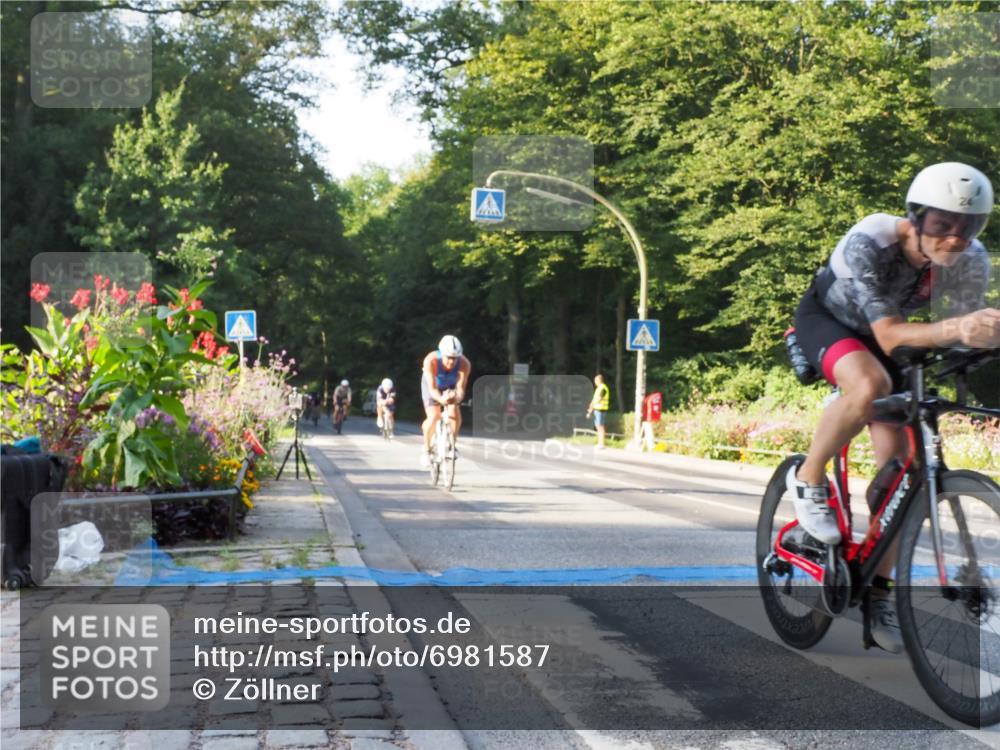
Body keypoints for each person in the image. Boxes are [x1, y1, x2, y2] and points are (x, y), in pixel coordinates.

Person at [790, 162, 999, 653]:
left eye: (968, 228)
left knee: (905, 474)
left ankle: (877, 594)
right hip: (833, 322)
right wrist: (960, 329)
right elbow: (888, 333)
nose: (954, 239)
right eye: (942, 226)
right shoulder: (873, 238)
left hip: (900, 340)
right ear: (915, 218)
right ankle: (808, 477)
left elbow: (959, 338)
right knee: (867, 385)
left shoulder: (972, 259)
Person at [421, 335, 472, 468]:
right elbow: (432, 388)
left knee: (454, 412)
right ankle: (427, 451)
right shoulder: (431, 360)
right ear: (441, 354)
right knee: (434, 416)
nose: (451, 361)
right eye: (448, 357)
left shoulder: (464, 364)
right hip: (432, 386)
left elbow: (461, 390)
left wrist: (456, 397)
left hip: (450, 387)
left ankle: (452, 445)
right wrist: (440, 399)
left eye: (454, 358)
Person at [586, 373, 611, 449]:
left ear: (598, 380)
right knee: (598, 426)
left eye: (595, 380)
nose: (595, 382)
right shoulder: (599, 388)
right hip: (598, 409)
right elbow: (595, 399)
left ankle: (601, 443)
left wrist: (591, 407)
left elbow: (599, 399)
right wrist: (591, 406)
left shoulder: (603, 388)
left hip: (601, 409)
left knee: (600, 426)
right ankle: (600, 443)